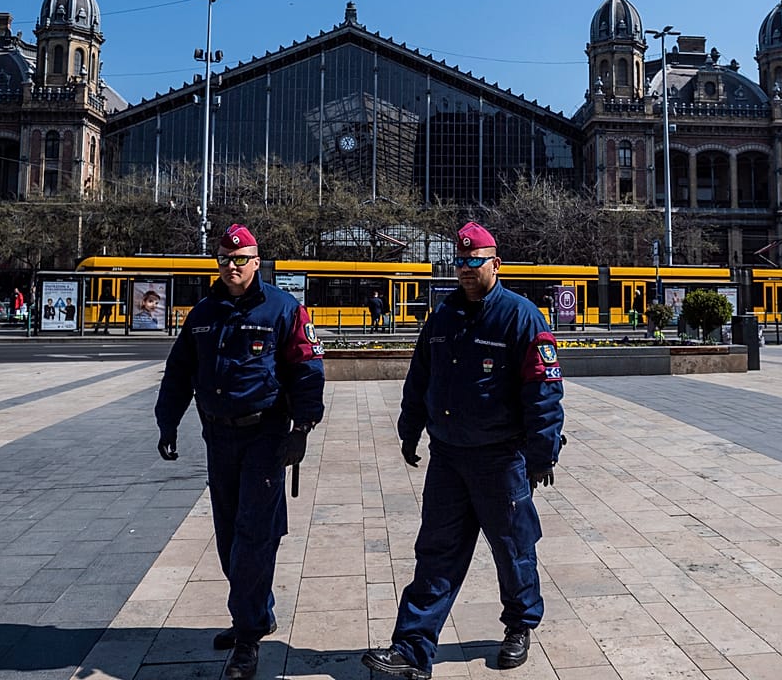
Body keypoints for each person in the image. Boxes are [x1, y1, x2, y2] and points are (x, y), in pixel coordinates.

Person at [364, 222, 565, 679]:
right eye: (460, 262)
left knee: (513, 549)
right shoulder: (443, 317)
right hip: (449, 457)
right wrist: (409, 427)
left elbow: (544, 389)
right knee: (435, 552)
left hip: (500, 459)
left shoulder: (521, 317)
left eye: (476, 261)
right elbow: (421, 377)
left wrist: (543, 449)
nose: (467, 269)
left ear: (496, 263)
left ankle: (519, 624)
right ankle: (413, 649)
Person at [156, 224, 325, 680]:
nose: (233, 266)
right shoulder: (204, 312)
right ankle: (257, 612)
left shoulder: (283, 309)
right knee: (230, 533)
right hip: (219, 438)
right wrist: (167, 419)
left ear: (257, 261)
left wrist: (303, 428)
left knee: (253, 535)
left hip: (265, 435)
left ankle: (247, 636)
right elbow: (179, 370)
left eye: (242, 258)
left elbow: (308, 369)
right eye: (225, 259)